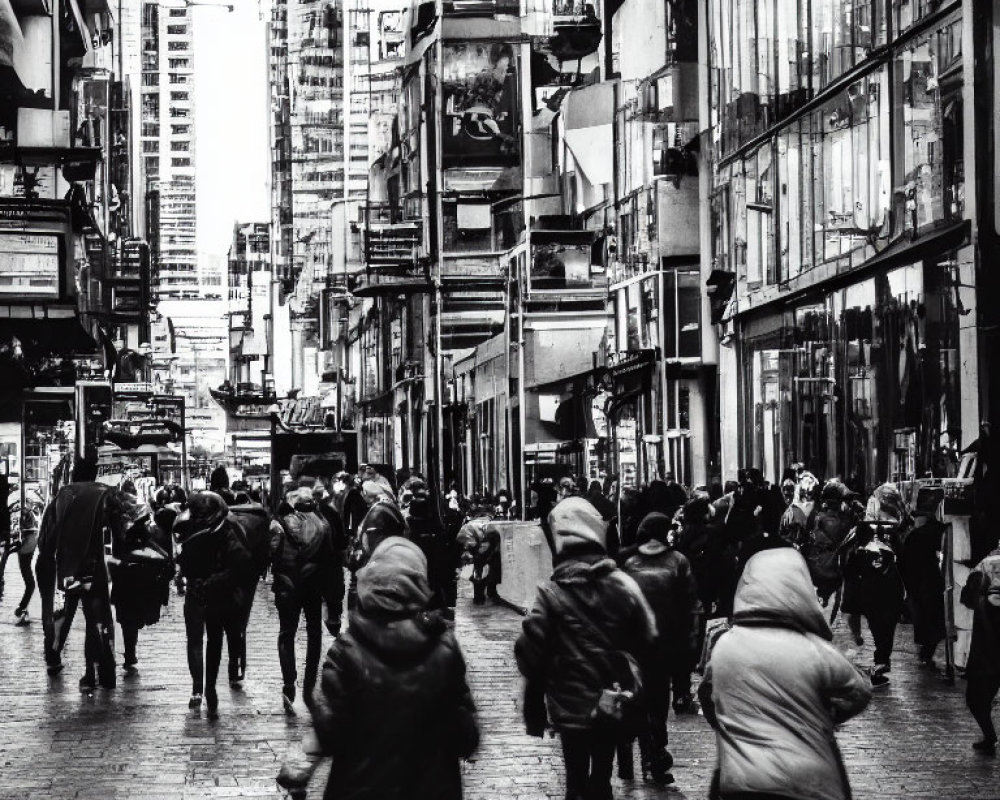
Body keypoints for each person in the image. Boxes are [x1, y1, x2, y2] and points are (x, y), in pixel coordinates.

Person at [290, 536, 479, 799]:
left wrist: (301, 763)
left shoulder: (347, 652)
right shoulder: (444, 651)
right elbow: (466, 738)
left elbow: (331, 729)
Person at [698, 548, 871, 800]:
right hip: (808, 779)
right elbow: (858, 692)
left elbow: (708, 696)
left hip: (743, 779)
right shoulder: (814, 649)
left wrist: (736, 720)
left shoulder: (724, 645)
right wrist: (823, 714)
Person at [515, 496, 655, 800]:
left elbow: (530, 648)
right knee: (602, 771)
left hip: (568, 700)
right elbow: (647, 637)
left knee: (575, 777)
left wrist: (536, 688)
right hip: (611, 696)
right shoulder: (622, 585)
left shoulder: (550, 593)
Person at [35, 460, 132, 689]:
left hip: (65, 568)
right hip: (94, 566)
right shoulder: (106, 494)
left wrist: (47, 560)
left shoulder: (63, 495)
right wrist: (122, 557)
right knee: (96, 621)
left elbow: (47, 535)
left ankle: (53, 657)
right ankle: (97, 673)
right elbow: (119, 531)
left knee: (60, 615)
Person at [620, 511, 701, 784]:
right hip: (662, 645)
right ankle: (654, 752)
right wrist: (690, 642)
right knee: (655, 700)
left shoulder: (627, 561)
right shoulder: (678, 562)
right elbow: (691, 606)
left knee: (642, 700)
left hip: (635, 645)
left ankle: (648, 752)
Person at [174, 491, 251, 717]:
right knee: (213, 641)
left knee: (202, 641)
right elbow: (242, 563)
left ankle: (201, 688)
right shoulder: (227, 530)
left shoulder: (188, 527)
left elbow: (182, 560)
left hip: (204, 591)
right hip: (214, 593)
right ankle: (206, 688)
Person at [270, 486, 344, 712]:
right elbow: (332, 562)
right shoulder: (323, 524)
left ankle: (288, 684)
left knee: (286, 633)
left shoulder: (279, 522)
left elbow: (271, 553)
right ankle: (310, 684)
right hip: (313, 584)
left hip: (287, 584)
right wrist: (334, 603)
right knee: (314, 633)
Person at [107, 500, 173, 673]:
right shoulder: (139, 531)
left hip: (125, 580)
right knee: (131, 620)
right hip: (134, 580)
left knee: (127, 619)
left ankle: (130, 653)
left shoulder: (119, 528)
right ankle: (130, 653)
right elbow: (155, 549)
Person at [226, 488, 273, 684]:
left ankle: (233, 659)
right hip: (250, 573)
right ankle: (238, 659)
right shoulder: (261, 517)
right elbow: (266, 548)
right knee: (242, 616)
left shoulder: (223, 517)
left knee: (228, 615)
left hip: (227, 571)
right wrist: (261, 569)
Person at [900, 486, 946, 667]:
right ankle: (927, 652)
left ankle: (926, 653)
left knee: (925, 621)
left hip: (921, 585)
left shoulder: (916, 536)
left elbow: (904, 564)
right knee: (931, 621)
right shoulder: (940, 531)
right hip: (930, 583)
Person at [960, 541, 1000, 754]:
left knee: (976, 699)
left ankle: (990, 736)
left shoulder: (985, 565)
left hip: (987, 657)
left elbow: (966, 598)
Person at [0, 473, 40, 625]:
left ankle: (22, 608)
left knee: (29, 582)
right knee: (30, 583)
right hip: (26, 543)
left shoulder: (12, 508)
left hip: (24, 543)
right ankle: (22, 608)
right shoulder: (24, 510)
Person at [456, 500, 501, 604]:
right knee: (484, 566)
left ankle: (485, 592)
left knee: (480, 567)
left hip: (480, 541)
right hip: (483, 541)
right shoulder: (487, 522)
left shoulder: (470, 524)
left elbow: (464, 541)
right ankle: (485, 592)